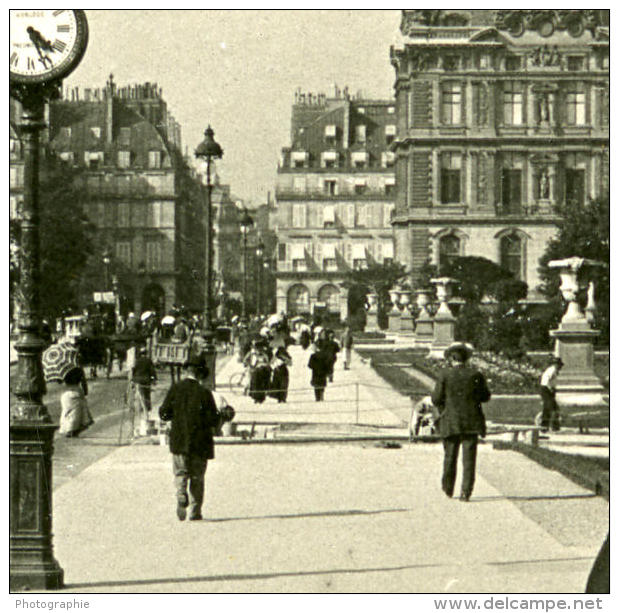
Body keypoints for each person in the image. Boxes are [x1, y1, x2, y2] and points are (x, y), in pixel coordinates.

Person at [159, 359, 223, 521]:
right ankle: (195, 511)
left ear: (187, 372)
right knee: (197, 477)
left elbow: (164, 413)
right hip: (200, 442)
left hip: (179, 439)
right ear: (200, 375)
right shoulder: (204, 393)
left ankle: (181, 493)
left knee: (180, 472)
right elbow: (213, 420)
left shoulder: (176, 389)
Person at [431, 342, 491, 502]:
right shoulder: (475, 375)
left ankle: (448, 488)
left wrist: (446, 406)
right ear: (466, 359)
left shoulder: (444, 374)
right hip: (471, 421)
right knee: (469, 459)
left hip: (451, 420)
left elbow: (436, 398)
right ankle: (466, 492)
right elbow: (485, 396)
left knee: (450, 456)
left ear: (451, 358)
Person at [59, 367, 94, 438]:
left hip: (65, 394)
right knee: (78, 414)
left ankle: (68, 430)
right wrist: (85, 392)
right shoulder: (79, 370)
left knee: (67, 413)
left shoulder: (63, 370)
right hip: (76, 392)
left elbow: (60, 382)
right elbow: (84, 385)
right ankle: (73, 431)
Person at [132, 346, 158, 435]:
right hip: (146, 381)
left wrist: (133, 380)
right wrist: (154, 379)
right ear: (146, 353)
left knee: (140, 397)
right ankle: (147, 412)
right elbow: (152, 371)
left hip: (138, 381)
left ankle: (141, 413)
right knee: (147, 397)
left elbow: (133, 371)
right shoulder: (148, 360)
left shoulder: (137, 361)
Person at [539, 357, 563, 432]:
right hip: (546, 390)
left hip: (549, 390)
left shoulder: (555, 371)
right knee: (549, 408)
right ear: (555, 364)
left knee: (555, 408)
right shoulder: (551, 370)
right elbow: (546, 381)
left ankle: (555, 426)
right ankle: (544, 427)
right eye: (559, 365)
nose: (560, 367)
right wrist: (551, 389)